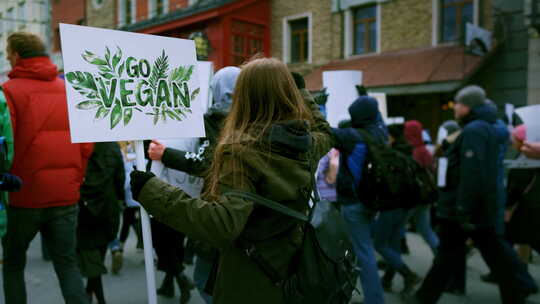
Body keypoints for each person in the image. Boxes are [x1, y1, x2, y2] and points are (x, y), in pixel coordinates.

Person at [130, 58, 333, 304]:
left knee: (205, 282)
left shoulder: (241, 151)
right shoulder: (305, 142)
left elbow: (222, 224)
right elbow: (325, 132)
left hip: (251, 275)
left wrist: (152, 190)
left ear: (245, 97)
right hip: (291, 263)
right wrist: (303, 94)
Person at [408, 85, 530, 304]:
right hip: (475, 209)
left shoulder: (475, 130)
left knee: (452, 257)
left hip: (465, 210)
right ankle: (515, 297)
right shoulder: (481, 127)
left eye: (459, 104)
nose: (455, 107)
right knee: (484, 257)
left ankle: (423, 298)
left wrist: (464, 209)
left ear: (469, 106)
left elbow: (472, 174)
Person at [2, 32, 93, 304]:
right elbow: (86, 145)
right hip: (66, 195)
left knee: (14, 264)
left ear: (17, 55)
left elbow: (5, 146)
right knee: (67, 264)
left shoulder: (9, 92)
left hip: (24, 196)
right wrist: (76, 179)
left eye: (8, 52)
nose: (6, 57)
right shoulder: (69, 89)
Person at [147, 66, 241, 304]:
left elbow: (210, 164)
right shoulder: (251, 119)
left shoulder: (218, 122)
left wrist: (166, 154)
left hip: (222, 210)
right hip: (243, 211)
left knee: (205, 278)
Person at [332, 96, 387, 304]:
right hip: (373, 201)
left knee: (362, 253)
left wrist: (317, 106)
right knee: (361, 250)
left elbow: (323, 131)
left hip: (353, 203)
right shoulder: (381, 133)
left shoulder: (351, 136)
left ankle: (374, 300)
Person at [374, 123, 421, 295]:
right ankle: (387, 280)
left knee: (380, 244)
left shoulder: (391, 155)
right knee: (393, 245)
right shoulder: (406, 151)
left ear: (391, 138)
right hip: (406, 206)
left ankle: (408, 274)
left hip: (390, 205)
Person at [77, 142, 125, 304]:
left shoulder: (79, 142)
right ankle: (90, 295)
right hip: (108, 207)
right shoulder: (112, 146)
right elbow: (120, 178)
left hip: (84, 207)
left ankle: (92, 296)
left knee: (91, 262)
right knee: (98, 258)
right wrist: (120, 199)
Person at [404, 120, 439, 255]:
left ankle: (395, 264)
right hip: (425, 196)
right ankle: (440, 256)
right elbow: (432, 169)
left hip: (412, 197)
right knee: (426, 229)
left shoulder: (407, 150)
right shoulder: (423, 150)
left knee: (395, 232)